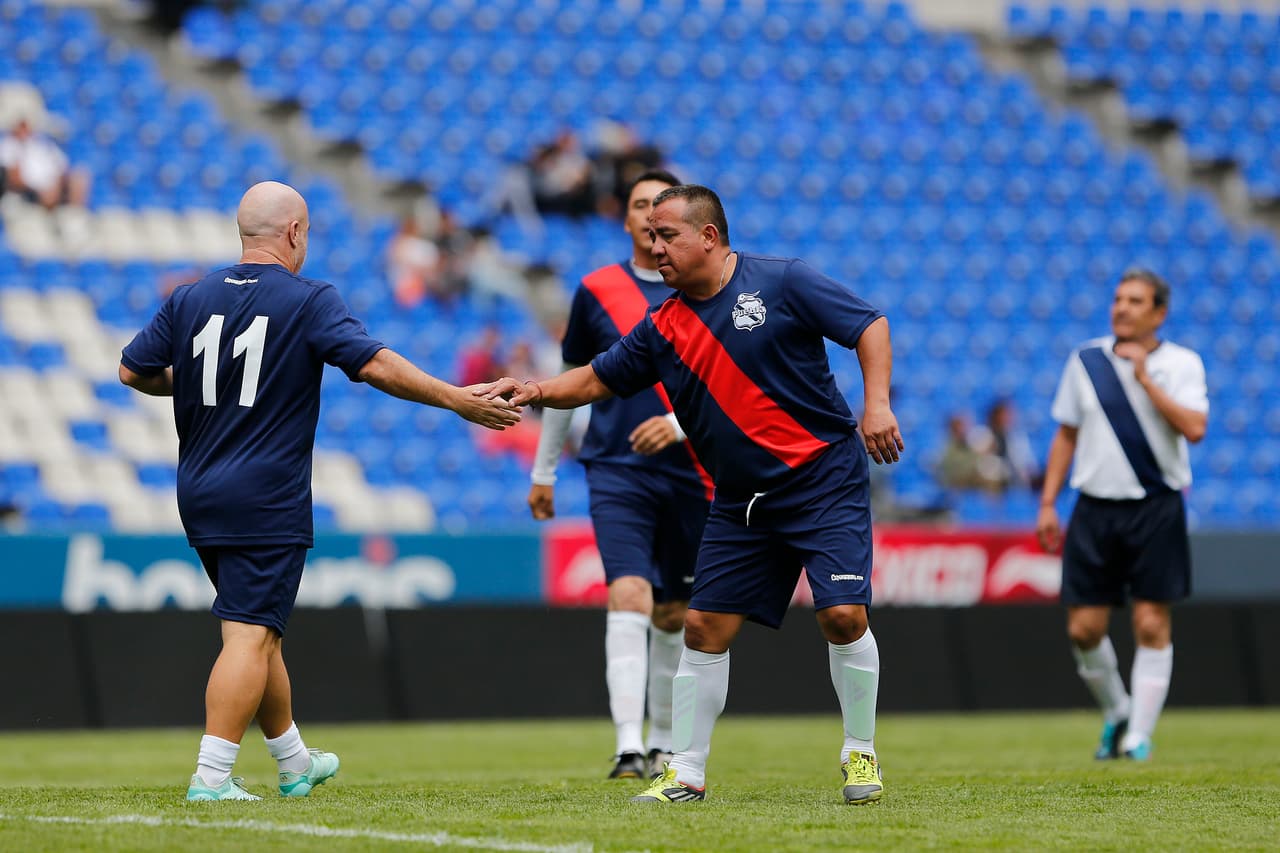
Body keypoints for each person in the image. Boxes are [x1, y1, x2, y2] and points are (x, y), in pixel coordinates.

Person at [484, 184, 903, 805]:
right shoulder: (663, 325)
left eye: (667, 235)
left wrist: (877, 405)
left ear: (708, 236)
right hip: (742, 498)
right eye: (650, 236)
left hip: (822, 480)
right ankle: (685, 771)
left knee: (843, 616)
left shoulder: (783, 281)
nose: (654, 247)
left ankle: (859, 752)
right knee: (703, 627)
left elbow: (869, 324)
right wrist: (534, 391)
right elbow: (595, 379)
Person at [118, 181, 520, 801]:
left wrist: (202, 379)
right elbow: (374, 363)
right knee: (249, 634)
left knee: (259, 628)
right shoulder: (308, 298)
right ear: (295, 233)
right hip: (265, 495)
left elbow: (133, 370)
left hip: (199, 490)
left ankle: (294, 761)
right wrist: (455, 399)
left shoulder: (190, 295)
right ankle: (211, 777)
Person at [528, 169, 713, 781]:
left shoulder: (707, 292)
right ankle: (629, 746)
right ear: (627, 217)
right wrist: (545, 471)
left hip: (693, 472)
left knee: (674, 612)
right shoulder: (597, 290)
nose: (648, 216)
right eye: (639, 205)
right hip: (617, 468)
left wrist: (680, 426)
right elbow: (569, 382)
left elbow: (733, 383)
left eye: (660, 206)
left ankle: (662, 740)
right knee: (629, 593)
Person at [1036, 268, 1208, 762]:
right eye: (1118, 299)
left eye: (1135, 300)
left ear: (1159, 313)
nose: (1122, 308)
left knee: (1151, 624)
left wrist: (1145, 379)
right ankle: (1118, 711)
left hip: (1156, 506)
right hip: (1095, 508)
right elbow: (1066, 433)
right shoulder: (1086, 360)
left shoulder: (1182, 363)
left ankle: (1138, 738)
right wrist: (1048, 503)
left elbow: (1195, 428)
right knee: (1083, 629)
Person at [0, 116, 90, 210]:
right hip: (28, 194)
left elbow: (62, 168)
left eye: (26, 126)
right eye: (22, 126)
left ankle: (74, 212)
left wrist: (56, 185)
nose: (24, 129)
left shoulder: (41, 144)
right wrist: (39, 189)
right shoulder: (8, 145)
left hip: (53, 188)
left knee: (80, 176)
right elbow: (12, 178)